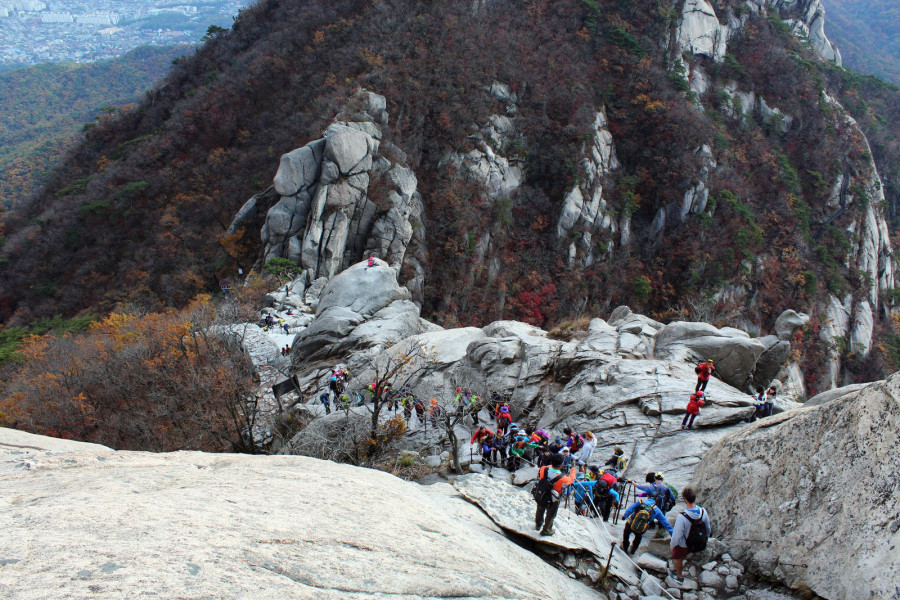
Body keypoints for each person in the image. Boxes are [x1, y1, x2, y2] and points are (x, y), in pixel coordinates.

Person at [668, 487, 711, 585]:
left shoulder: (682, 516)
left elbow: (677, 535)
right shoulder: (703, 511)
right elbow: (708, 528)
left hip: (685, 544)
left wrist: (673, 545)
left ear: (685, 499)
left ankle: (679, 577)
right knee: (684, 552)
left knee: (677, 557)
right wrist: (705, 538)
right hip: (699, 541)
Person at [533, 453, 577, 536]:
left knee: (540, 508)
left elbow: (549, 467)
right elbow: (571, 479)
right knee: (551, 514)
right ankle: (546, 530)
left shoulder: (543, 469)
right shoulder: (563, 478)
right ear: (561, 465)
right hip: (553, 498)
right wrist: (573, 469)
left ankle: (538, 524)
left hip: (542, 493)